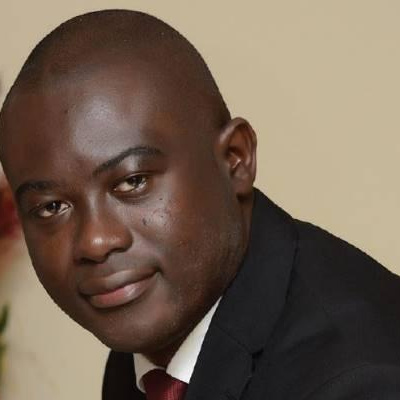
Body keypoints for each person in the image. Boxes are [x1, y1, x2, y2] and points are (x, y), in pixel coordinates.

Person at [1, 9, 400, 400]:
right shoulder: (151, 335)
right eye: (51, 207)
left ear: (235, 159)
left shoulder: (359, 381)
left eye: (133, 181)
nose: (95, 241)